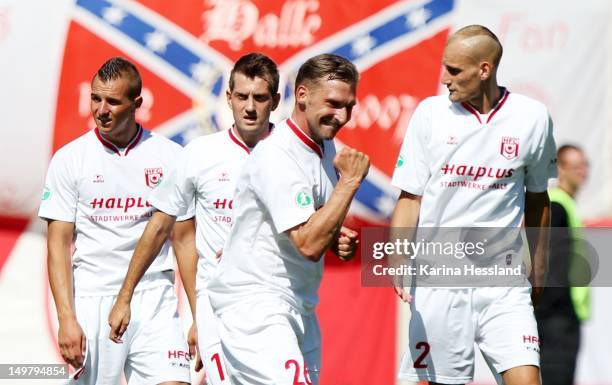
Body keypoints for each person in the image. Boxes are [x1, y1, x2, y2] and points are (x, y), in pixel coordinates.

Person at [390, 25, 557, 385]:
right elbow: (410, 198)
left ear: (484, 70)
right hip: (439, 281)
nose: (444, 78)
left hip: (504, 282)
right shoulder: (430, 114)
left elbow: (538, 197)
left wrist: (539, 266)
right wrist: (398, 258)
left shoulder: (533, 118)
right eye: (443, 67)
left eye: (454, 70)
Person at [107, 52, 281, 384]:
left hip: (278, 303)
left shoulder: (296, 152)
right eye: (241, 96)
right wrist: (125, 297)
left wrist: (338, 239)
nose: (249, 107)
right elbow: (161, 228)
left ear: (274, 100)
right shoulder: (200, 154)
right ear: (228, 98)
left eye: (259, 98)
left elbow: (315, 228)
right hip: (218, 310)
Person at [205, 53, 369, 385]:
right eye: (334, 103)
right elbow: (308, 244)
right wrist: (349, 183)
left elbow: (308, 229)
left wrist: (333, 237)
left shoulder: (326, 150)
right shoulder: (277, 154)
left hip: (300, 305)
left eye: (349, 106)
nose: (343, 116)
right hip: (256, 306)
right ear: (303, 95)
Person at [39, 57, 191, 385]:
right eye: (95, 98)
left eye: (112, 101)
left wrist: (199, 317)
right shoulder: (69, 160)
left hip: (153, 296)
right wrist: (66, 317)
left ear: (136, 104)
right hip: (93, 298)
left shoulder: (171, 157)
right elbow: (58, 244)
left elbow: (184, 241)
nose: (101, 109)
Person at [536, 144, 590, 385]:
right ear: (560, 169)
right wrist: (557, 311)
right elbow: (550, 264)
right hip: (557, 317)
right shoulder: (557, 205)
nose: (582, 171)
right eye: (575, 165)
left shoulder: (565, 204)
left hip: (560, 315)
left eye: (585, 165)